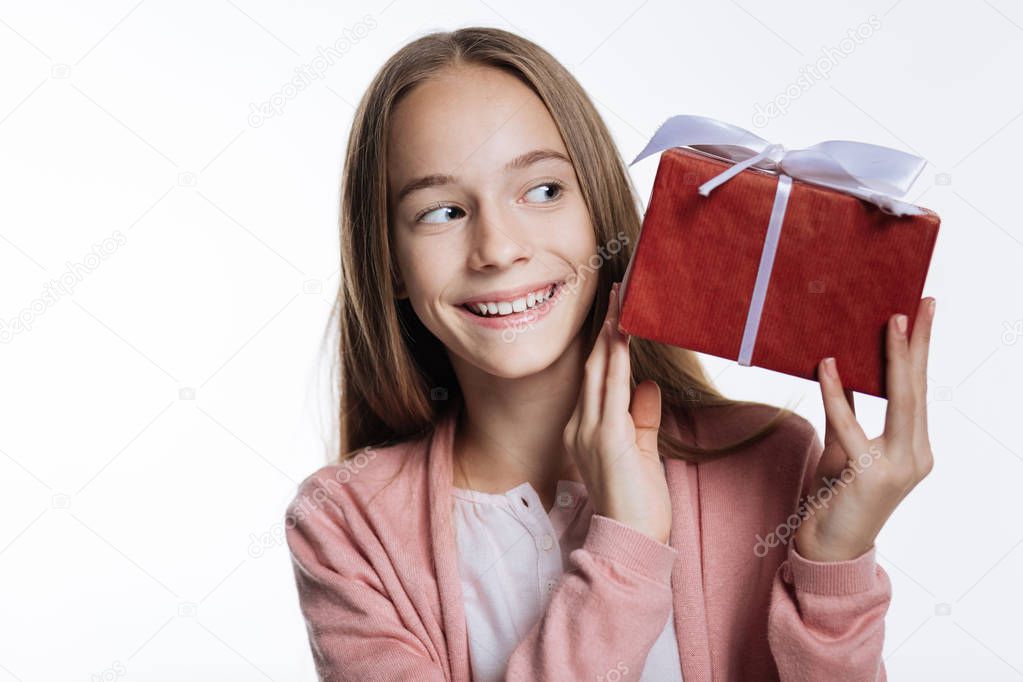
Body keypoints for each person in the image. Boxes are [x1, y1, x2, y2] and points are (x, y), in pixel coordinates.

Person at [283, 26, 935, 681]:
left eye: (541, 191)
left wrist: (831, 567)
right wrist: (625, 547)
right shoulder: (345, 524)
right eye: (441, 211)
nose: (498, 248)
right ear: (389, 262)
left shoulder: (770, 463)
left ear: (599, 212)